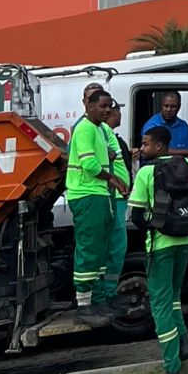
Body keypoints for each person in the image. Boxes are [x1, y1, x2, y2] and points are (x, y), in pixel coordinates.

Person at [126, 126, 188, 374]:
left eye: (145, 144)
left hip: (161, 244)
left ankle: (172, 366)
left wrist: (155, 229)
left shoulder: (146, 172)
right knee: (174, 296)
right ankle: (183, 343)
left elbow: (136, 216)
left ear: (159, 146)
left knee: (161, 304)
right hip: (186, 239)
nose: (141, 149)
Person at [70, 88, 129, 328]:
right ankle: (84, 306)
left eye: (110, 106)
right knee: (90, 250)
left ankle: (99, 300)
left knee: (102, 252)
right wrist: (112, 179)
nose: (107, 110)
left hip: (101, 195)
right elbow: (90, 164)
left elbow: (112, 154)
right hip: (88, 194)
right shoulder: (84, 128)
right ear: (89, 106)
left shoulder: (99, 128)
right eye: (103, 106)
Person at [100, 101, 134, 316]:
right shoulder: (101, 133)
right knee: (113, 248)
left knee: (116, 248)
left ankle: (108, 294)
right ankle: (106, 294)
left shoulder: (111, 135)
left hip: (116, 197)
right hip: (111, 197)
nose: (120, 114)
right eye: (118, 110)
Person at [140, 91, 188, 160]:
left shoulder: (184, 126)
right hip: (158, 165)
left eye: (173, 107)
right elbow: (157, 151)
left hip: (180, 165)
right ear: (161, 105)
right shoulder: (152, 125)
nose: (168, 110)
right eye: (166, 106)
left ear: (179, 107)